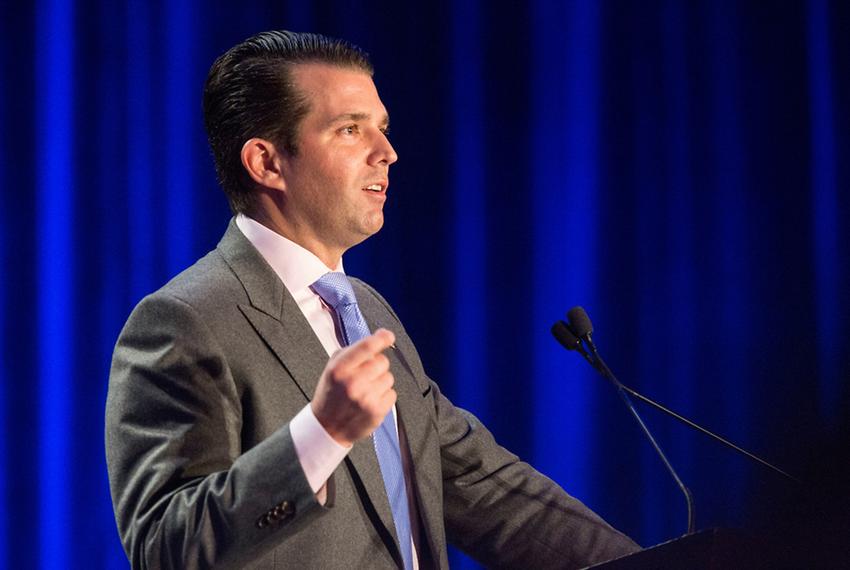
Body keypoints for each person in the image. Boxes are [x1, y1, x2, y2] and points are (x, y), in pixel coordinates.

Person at [105, 30, 640, 569]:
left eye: (381, 129)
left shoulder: (367, 309)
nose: (387, 153)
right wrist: (320, 435)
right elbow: (164, 548)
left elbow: (486, 487)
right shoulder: (185, 321)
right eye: (349, 130)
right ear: (266, 163)